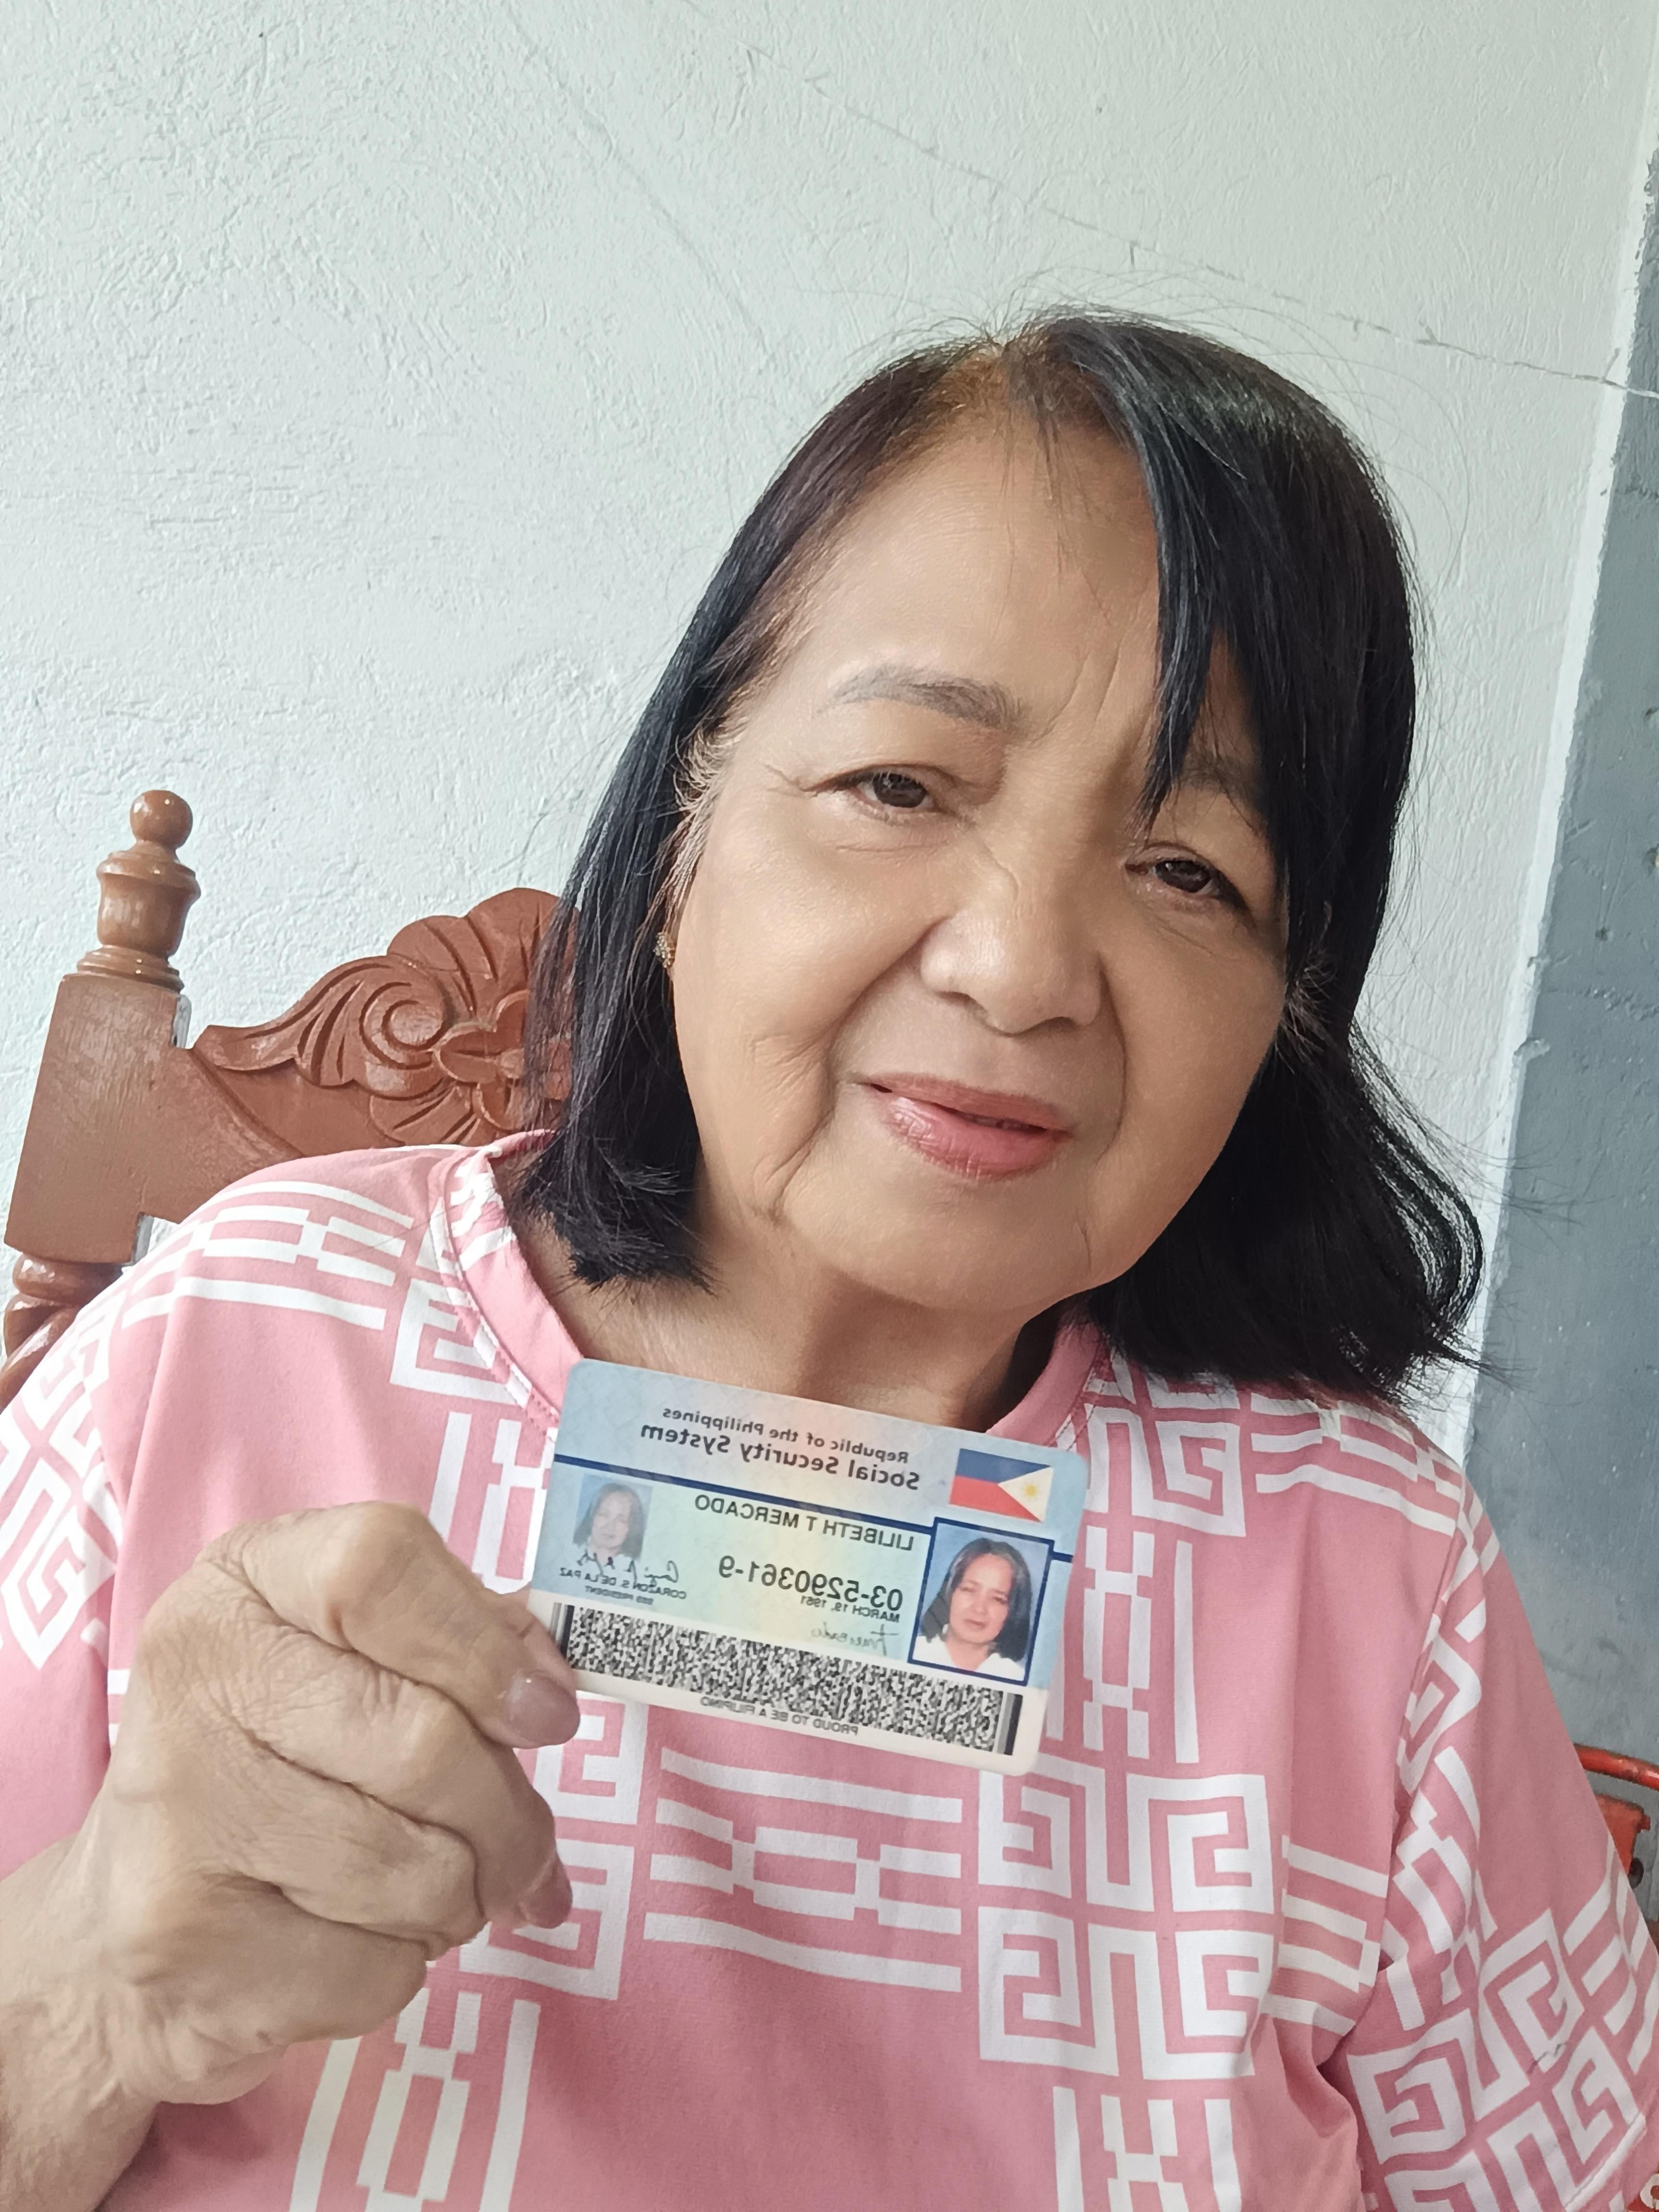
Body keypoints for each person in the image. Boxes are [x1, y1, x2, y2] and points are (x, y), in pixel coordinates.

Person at [1, 314, 1655, 2212]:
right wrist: (95, 1980)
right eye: (902, 784)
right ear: (684, 829)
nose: (1018, 967)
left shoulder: (1372, 1572)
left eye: (1189, 869)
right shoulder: (242, 1340)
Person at [912, 1538, 1032, 1677]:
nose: (979, 1609)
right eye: (969, 1590)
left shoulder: (1015, 1676)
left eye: (997, 1599)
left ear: (1013, 1612)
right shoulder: (913, 1652)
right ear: (949, 1593)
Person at [573, 1480, 646, 1572]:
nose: (610, 1526)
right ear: (593, 1516)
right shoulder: (572, 1553)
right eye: (604, 1515)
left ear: (632, 1527)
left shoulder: (634, 1569)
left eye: (621, 1521)